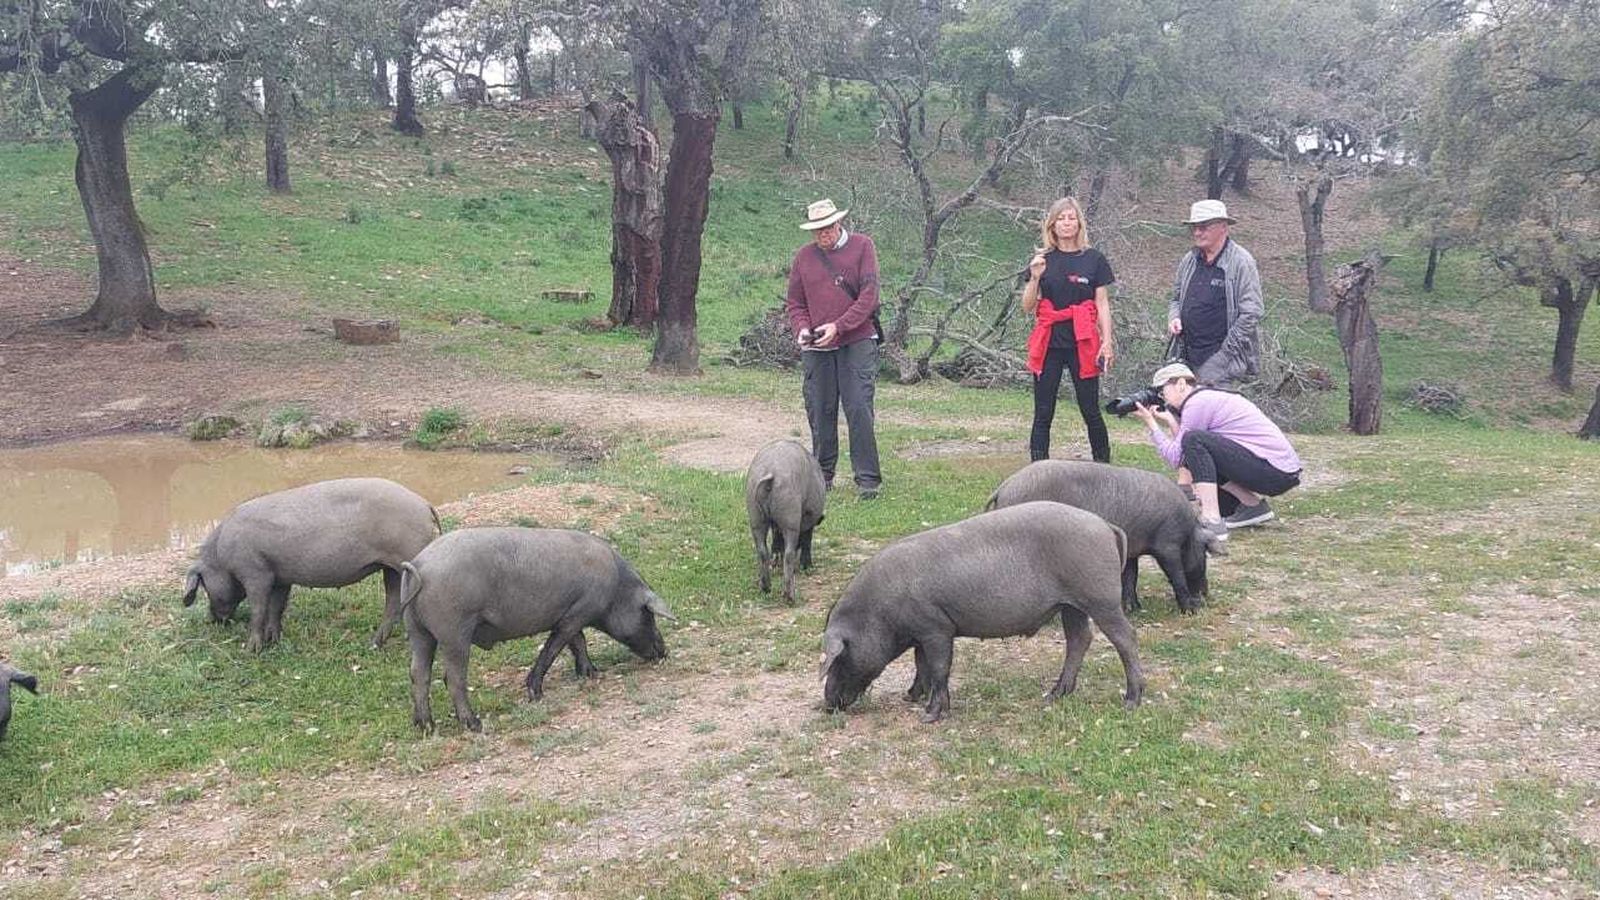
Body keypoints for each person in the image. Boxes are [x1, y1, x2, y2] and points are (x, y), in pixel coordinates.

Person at [1134, 362, 1301, 539]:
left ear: (1181, 384)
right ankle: (1251, 506)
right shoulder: (1205, 398)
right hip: (1276, 471)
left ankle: (1212, 520)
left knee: (1195, 440)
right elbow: (1185, 455)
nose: (1163, 398)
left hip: (1275, 471)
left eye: (1162, 391)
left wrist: (1152, 424)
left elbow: (1177, 456)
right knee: (1194, 446)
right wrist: (1172, 421)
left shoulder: (1197, 403)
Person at [785, 198, 883, 499]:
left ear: (838, 223)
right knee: (820, 408)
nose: (822, 234)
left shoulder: (863, 246)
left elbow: (869, 296)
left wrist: (838, 326)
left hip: (857, 340)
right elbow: (796, 302)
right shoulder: (804, 257)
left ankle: (867, 480)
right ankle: (821, 476)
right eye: (816, 230)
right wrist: (802, 329)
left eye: (826, 228)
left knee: (858, 408)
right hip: (817, 346)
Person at [1022, 196, 1115, 463]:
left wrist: (1106, 342)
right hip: (1049, 342)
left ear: (1079, 223)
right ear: (1052, 225)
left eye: (1071, 218)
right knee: (1043, 411)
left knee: (1090, 409)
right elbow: (1028, 306)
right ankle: (1038, 471)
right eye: (1061, 218)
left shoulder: (1094, 259)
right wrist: (1036, 277)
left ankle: (1103, 466)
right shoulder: (1042, 260)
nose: (1066, 223)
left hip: (1083, 342)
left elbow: (1102, 302)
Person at [1167, 199, 1264, 387]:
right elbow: (1176, 299)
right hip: (1185, 356)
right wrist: (1174, 318)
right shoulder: (1190, 259)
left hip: (1222, 364)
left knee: (1214, 415)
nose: (1197, 232)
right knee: (1185, 414)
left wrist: (1222, 358)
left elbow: (1252, 313)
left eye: (1204, 227)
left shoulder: (1241, 262)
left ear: (1223, 227)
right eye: (1194, 227)